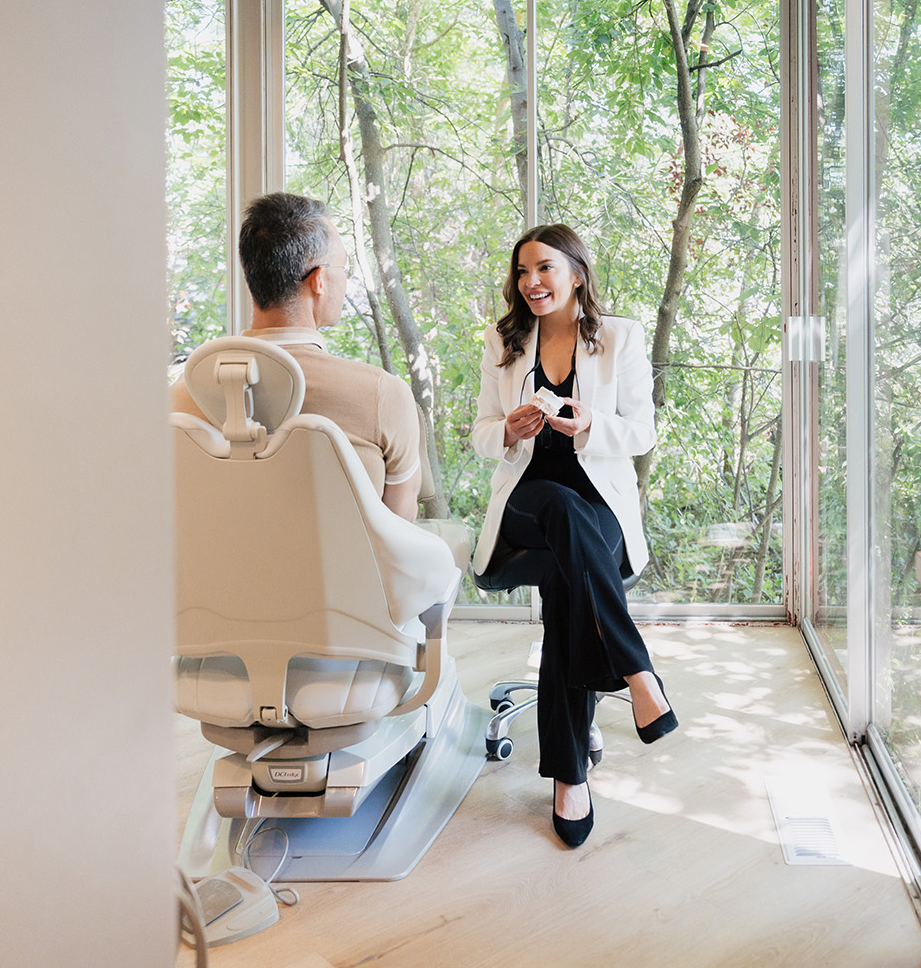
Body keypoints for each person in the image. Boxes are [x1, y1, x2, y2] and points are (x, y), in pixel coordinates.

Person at [470, 223, 677, 848]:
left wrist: (590, 424)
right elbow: (481, 436)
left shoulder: (618, 338)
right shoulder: (504, 342)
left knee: (568, 582)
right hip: (529, 504)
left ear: (576, 274)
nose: (531, 283)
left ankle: (568, 775)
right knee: (559, 507)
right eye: (522, 273)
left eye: (545, 270)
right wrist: (509, 428)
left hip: (601, 511)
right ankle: (636, 672)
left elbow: (642, 433)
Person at [172, 192, 422, 520]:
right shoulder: (381, 394)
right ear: (318, 280)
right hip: (345, 573)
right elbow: (400, 537)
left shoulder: (181, 397)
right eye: (344, 267)